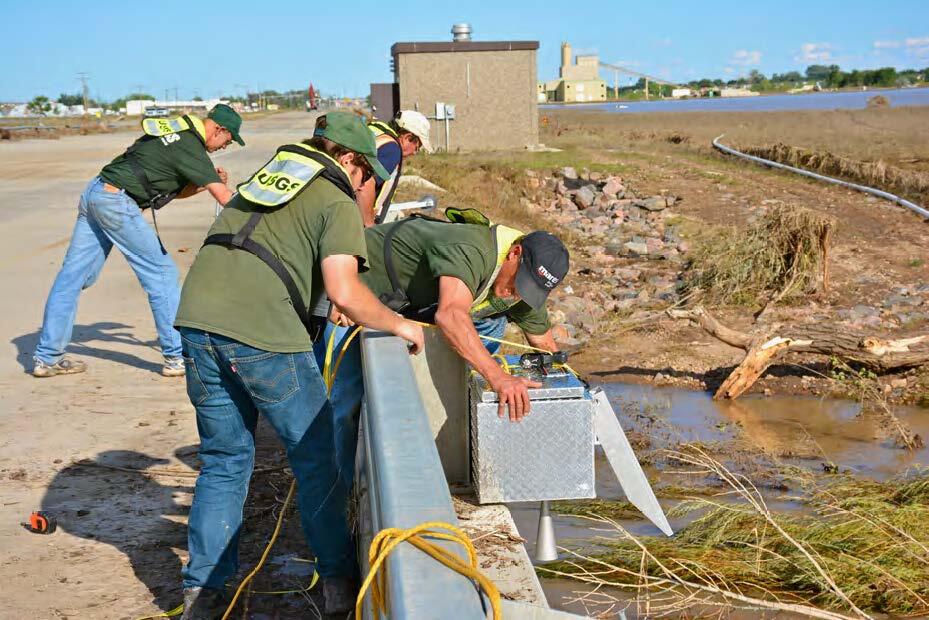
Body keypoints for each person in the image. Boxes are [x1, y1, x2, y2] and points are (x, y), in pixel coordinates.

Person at [172, 111, 424, 619]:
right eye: (366, 174)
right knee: (316, 460)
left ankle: (202, 593)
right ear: (349, 161)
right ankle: (336, 583)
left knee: (223, 461)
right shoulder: (334, 198)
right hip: (262, 332)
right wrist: (399, 325)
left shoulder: (266, 180)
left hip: (197, 321)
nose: (366, 185)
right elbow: (345, 291)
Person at [317, 212, 569, 488]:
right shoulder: (472, 250)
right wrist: (499, 378)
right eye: (518, 284)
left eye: (529, 291)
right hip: (352, 292)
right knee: (346, 400)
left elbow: (543, 342)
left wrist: (567, 390)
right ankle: (335, 491)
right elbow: (450, 317)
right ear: (515, 253)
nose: (515, 294)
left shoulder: (519, 287)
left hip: (401, 310)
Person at [32, 104, 242, 378]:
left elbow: (170, 188)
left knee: (73, 277)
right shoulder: (191, 145)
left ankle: (47, 358)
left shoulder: (175, 134)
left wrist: (205, 183)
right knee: (162, 274)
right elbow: (225, 198)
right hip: (116, 202)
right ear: (219, 129)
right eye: (229, 139)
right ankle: (177, 357)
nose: (227, 146)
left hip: (96, 192)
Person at [356, 110, 432, 226]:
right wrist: (369, 225)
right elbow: (365, 185)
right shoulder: (392, 150)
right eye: (417, 147)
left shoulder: (376, 131)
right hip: (354, 217)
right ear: (407, 137)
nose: (415, 153)